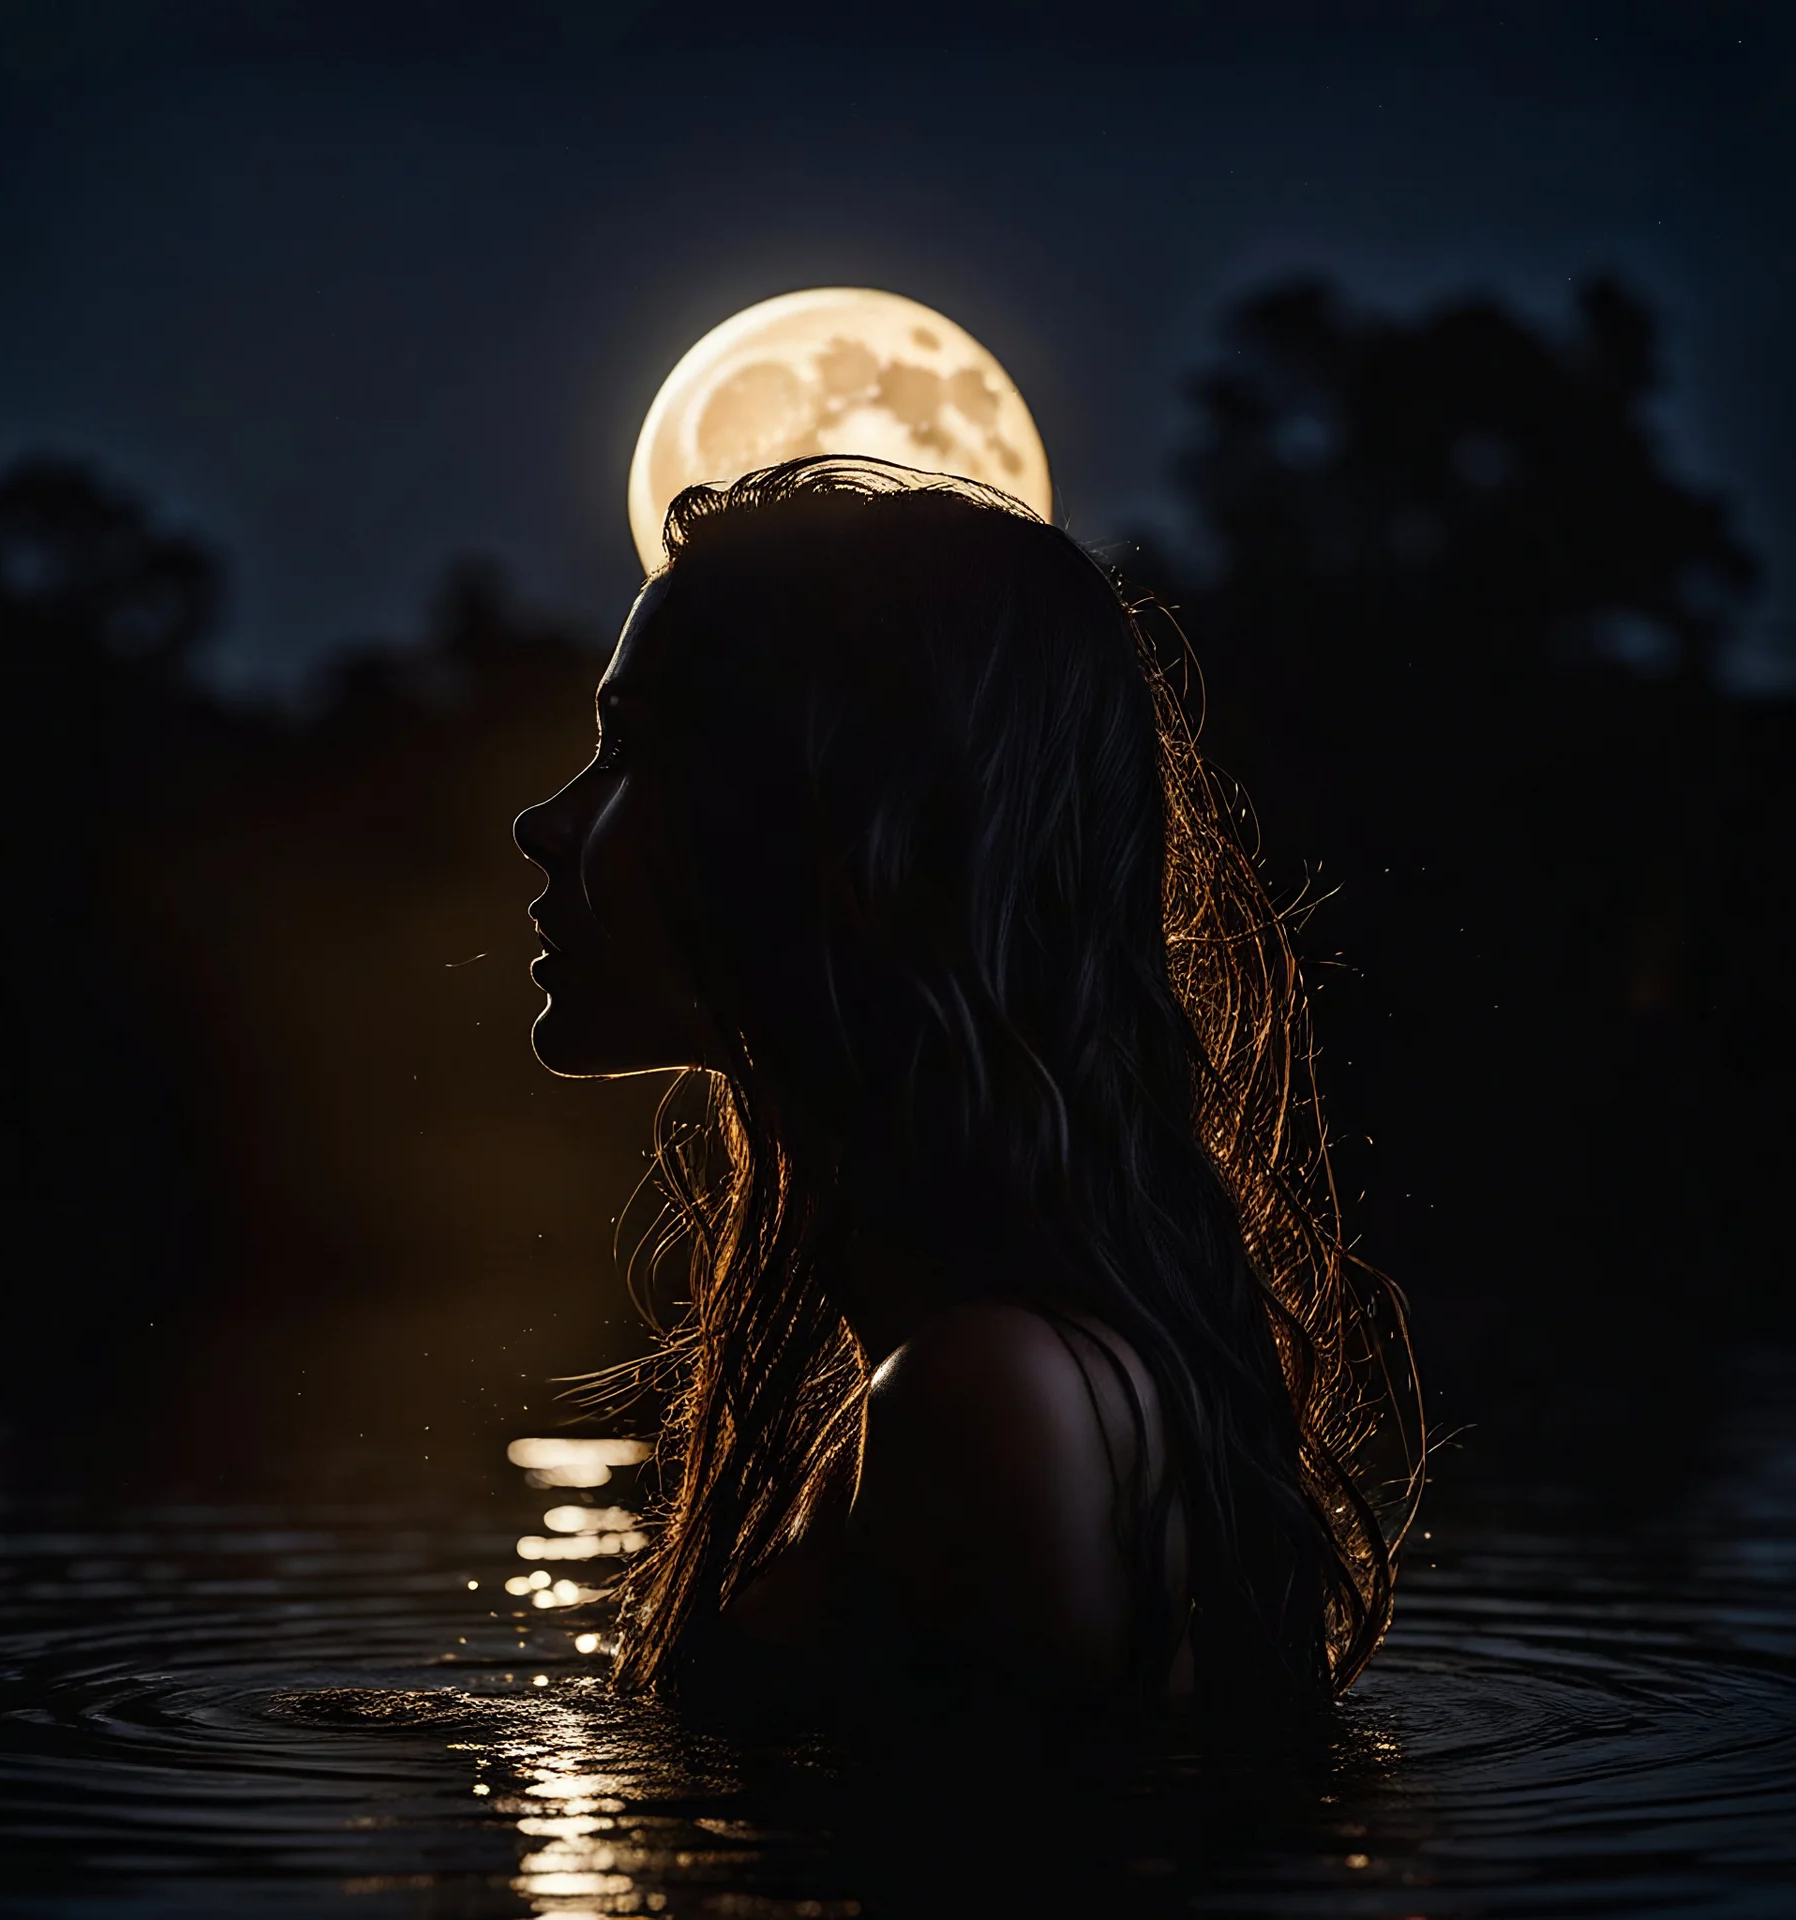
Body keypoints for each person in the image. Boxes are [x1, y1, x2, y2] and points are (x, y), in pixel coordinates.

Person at [513, 456, 1421, 1721]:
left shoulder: (987, 1393)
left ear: (828, 827)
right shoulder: (987, 1373)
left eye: (633, 752)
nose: (544, 824)